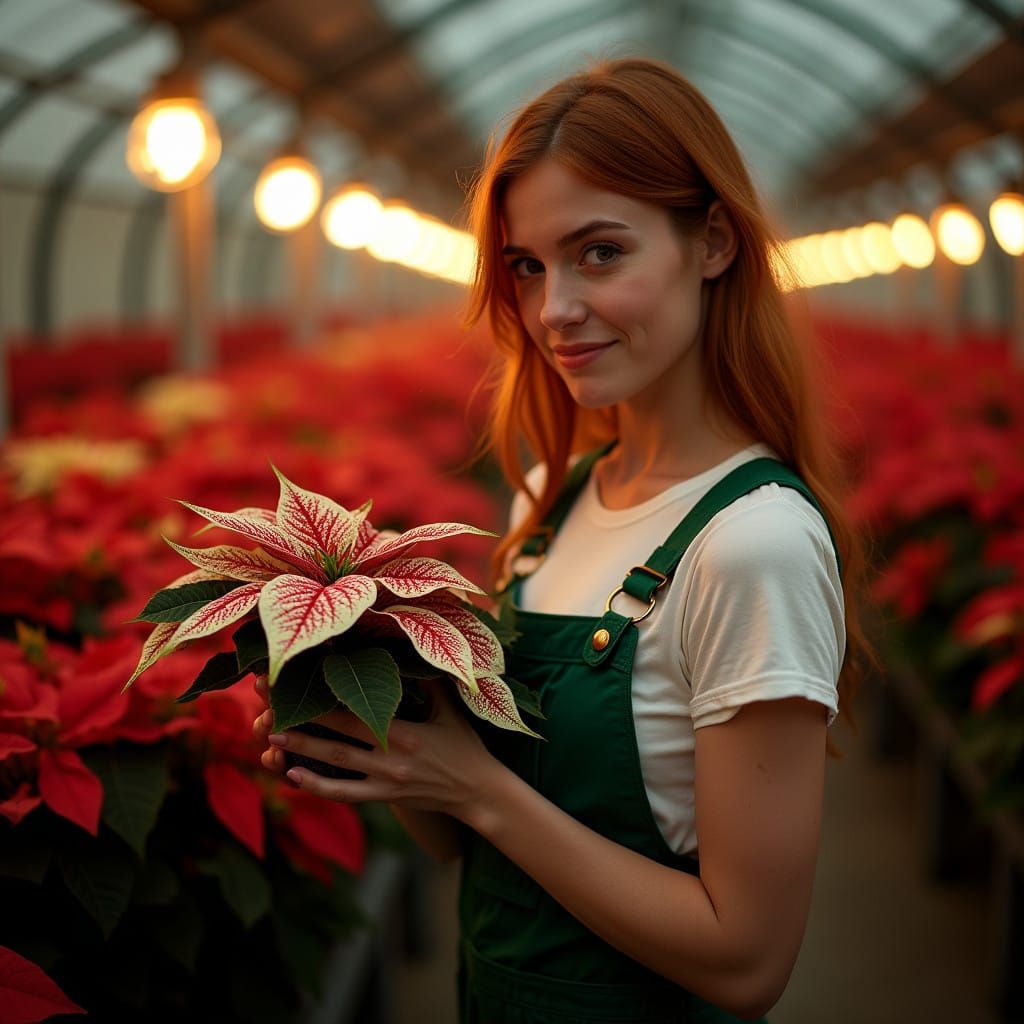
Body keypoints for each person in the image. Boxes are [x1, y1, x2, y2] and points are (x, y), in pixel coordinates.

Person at [252, 57, 869, 1023]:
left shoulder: (754, 546)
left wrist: (480, 791)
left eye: (600, 253)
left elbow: (747, 962)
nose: (553, 311)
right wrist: (379, 730)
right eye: (528, 267)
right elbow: (463, 845)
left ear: (711, 242)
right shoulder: (549, 498)